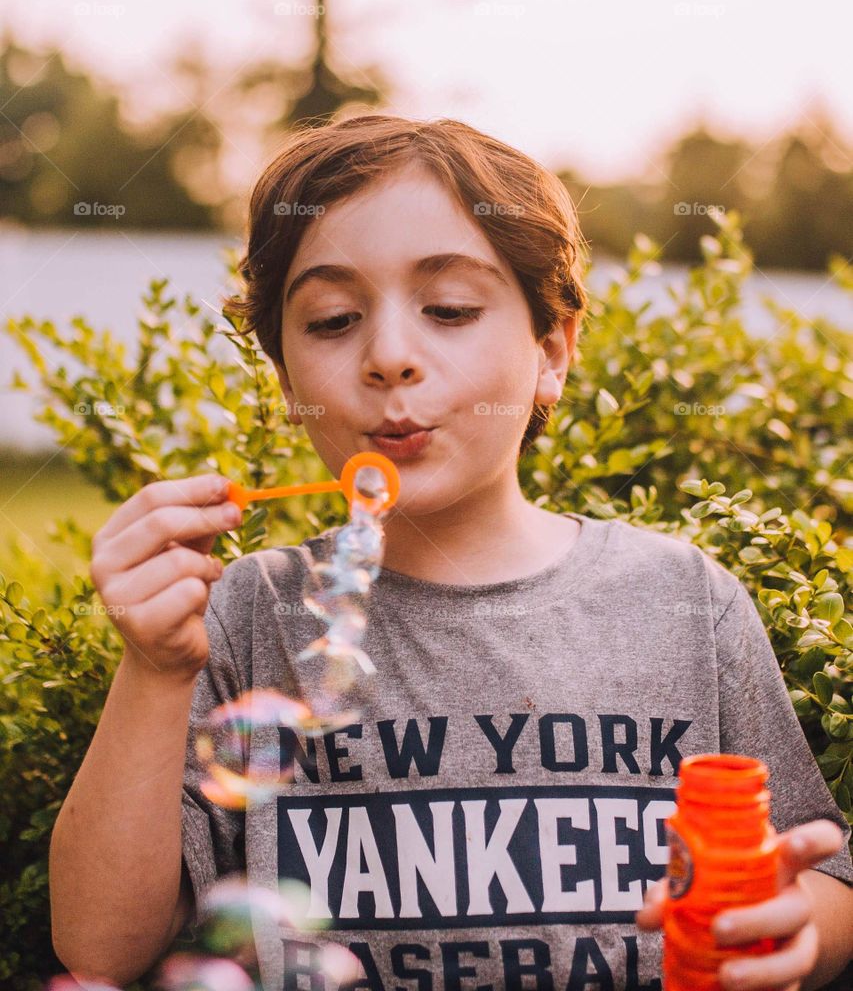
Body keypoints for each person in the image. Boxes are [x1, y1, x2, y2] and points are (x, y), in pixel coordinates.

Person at [49, 115, 853, 990]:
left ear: (551, 351)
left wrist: (781, 926)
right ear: (284, 379)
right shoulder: (247, 612)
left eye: (449, 310)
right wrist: (154, 671)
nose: (389, 356)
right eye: (331, 319)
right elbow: (101, 949)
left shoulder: (684, 601)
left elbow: (824, 876)